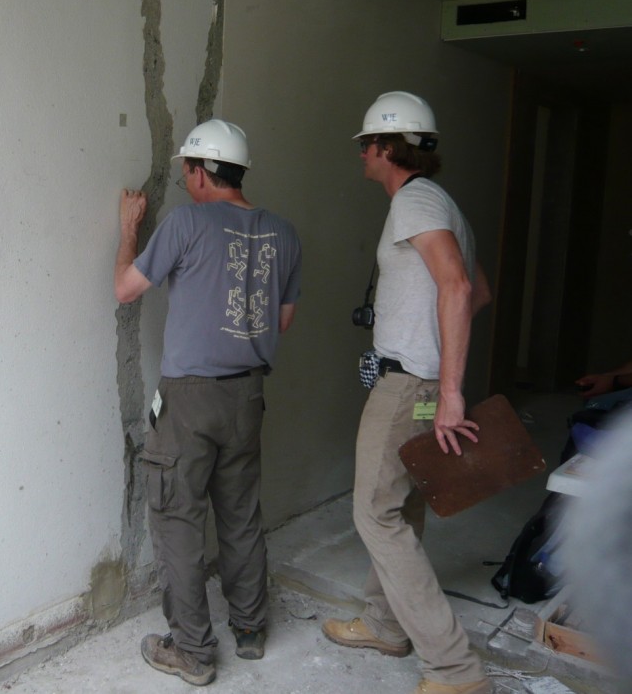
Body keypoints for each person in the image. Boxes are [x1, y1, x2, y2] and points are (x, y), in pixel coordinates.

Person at [114, 119, 302, 686]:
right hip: (248, 394)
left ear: (200, 172)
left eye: (186, 171)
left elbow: (125, 288)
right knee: (240, 514)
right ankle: (249, 627)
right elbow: (282, 322)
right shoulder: (284, 233)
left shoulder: (186, 222)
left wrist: (128, 229)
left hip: (190, 400)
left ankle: (193, 651)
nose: (186, 181)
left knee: (177, 518)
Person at [320, 92, 493, 694]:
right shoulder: (440, 203)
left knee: (373, 511)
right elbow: (477, 291)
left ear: (387, 147)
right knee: (404, 501)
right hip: (419, 378)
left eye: (366, 144)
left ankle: (454, 669)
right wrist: (437, 358)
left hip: (409, 384)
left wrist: (449, 391)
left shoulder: (416, 201)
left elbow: (458, 287)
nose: (362, 153)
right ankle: (385, 624)